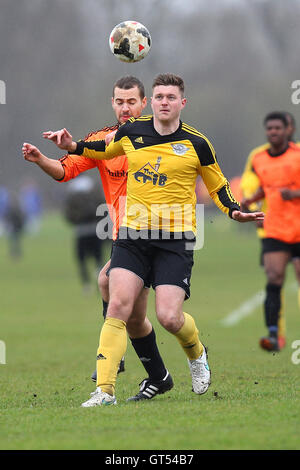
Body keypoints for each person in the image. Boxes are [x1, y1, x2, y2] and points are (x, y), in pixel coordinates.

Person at [39, 73, 264, 407]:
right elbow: (100, 149)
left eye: (170, 97)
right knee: (117, 302)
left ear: (181, 103)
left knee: (169, 318)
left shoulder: (196, 143)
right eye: (159, 96)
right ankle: (105, 390)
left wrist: (234, 212)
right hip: (132, 236)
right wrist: (70, 146)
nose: (163, 102)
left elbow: (218, 185)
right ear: (152, 102)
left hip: (174, 240)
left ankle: (196, 354)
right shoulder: (131, 132)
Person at [22, 76, 174, 401]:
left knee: (119, 294)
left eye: (131, 101)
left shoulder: (161, 139)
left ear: (144, 103)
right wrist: (40, 160)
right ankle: (158, 376)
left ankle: (119, 366)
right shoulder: (103, 141)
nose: (125, 107)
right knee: (128, 311)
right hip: (125, 238)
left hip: (157, 238)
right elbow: (65, 170)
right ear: (112, 103)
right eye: (119, 101)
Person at [241, 111, 300, 350]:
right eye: (270, 128)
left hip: (298, 227)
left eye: (278, 128)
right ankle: (273, 335)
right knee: (274, 278)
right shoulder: (259, 158)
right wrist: (251, 202)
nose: (273, 132)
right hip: (274, 227)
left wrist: (295, 194)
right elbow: (266, 188)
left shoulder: (297, 155)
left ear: (288, 129)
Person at [64, 174, 106, 293]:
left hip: (80, 231)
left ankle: (86, 285)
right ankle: (100, 284)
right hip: (95, 229)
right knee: (99, 258)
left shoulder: (72, 191)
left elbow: (68, 215)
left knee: (81, 260)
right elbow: (103, 206)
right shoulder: (93, 188)